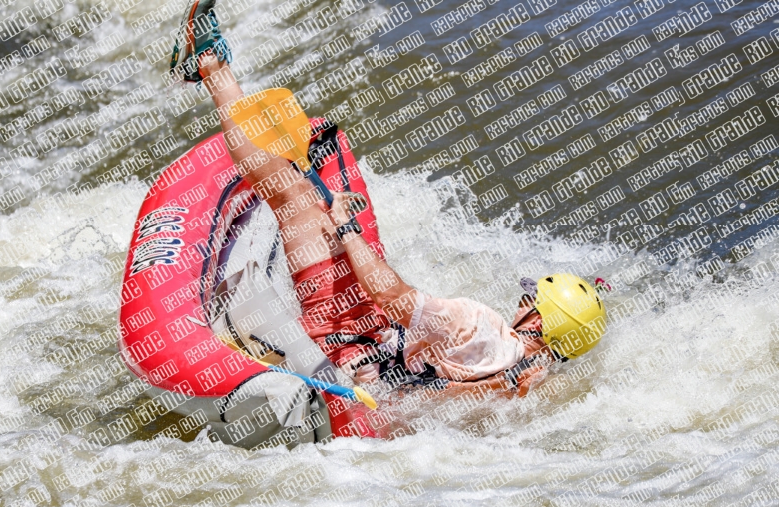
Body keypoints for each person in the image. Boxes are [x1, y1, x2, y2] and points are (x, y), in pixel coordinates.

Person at [169, 0, 607, 399]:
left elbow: (392, 297)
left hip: (352, 346)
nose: (521, 304)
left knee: (292, 194)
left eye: (529, 302)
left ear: (538, 322)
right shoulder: (529, 377)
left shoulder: (478, 325)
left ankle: (208, 63)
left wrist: (345, 227)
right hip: (380, 363)